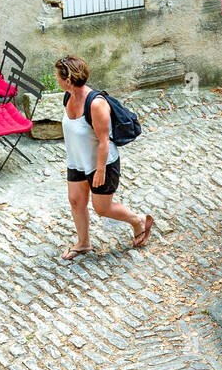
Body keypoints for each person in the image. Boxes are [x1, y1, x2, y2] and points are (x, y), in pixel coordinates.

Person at [57, 55, 152, 260]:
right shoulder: (68, 97)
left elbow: (104, 141)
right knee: (76, 202)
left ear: (67, 80)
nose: (56, 79)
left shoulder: (96, 104)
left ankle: (138, 221)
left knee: (103, 208)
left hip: (102, 164)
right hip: (77, 162)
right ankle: (83, 243)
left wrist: (100, 170)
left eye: (58, 76)